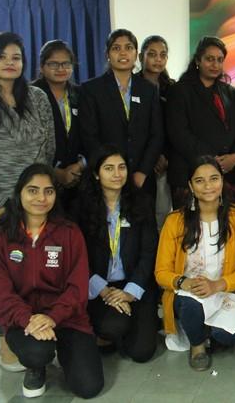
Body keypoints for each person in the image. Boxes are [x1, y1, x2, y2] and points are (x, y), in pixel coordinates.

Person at [0, 164, 103, 398]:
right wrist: (29, 320)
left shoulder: (69, 233)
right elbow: (0, 296)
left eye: (48, 191)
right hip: (24, 322)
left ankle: (64, 353)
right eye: (33, 190)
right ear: (19, 193)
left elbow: (77, 288)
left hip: (67, 318)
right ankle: (36, 366)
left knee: (89, 387)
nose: (41, 198)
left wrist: (52, 317)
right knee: (37, 352)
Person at [0, 31, 55, 371]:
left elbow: (48, 145)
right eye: (2, 56)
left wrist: (39, 192)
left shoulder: (36, 97)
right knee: (5, 275)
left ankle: (39, 329)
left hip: (37, 202)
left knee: (37, 270)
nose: (10, 62)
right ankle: (6, 339)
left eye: (16, 57)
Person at [155, 156, 235, 371]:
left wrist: (217, 285)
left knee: (227, 337)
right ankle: (197, 345)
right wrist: (184, 282)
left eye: (214, 178)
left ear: (222, 181)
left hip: (226, 290)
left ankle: (204, 330)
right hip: (190, 291)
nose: (208, 186)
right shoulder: (175, 221)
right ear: (190, 186)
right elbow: (161, 272)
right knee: (190, 307)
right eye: (199, 181)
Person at [74, 147, 158, 363]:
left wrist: (130, 292)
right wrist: (103, 290)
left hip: (135, 283)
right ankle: (111, 332)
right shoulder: (81, 208)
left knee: (142, 352)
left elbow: (148, 252)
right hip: (99, 286)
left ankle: (127, 325)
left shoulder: (142, 202)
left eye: (122, 167)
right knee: (113, 326)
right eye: (109, 168)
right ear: (96, 173)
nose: (117, 174)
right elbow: (77, 258)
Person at [168, 36, 235, 209]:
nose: (215, 65)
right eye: (209, 59)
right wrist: (212, 159)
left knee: (231, 224)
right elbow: (179, 133)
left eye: (220, 60)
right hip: (191, 174)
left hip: (230, 174)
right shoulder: (180, 91)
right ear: (198, 60)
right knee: (191, 225)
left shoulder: (232, 93)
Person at [79, 28, 163, 195]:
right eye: (116, 48)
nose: (123, 53)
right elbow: (89, 136)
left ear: (136, 54)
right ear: (107, 54)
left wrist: (143, 171)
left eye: (129, 47)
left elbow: (157, 134)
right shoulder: (91, 90)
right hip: (106, 177)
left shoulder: (148, 89)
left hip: (142, 179)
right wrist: (109, 170)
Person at [31, 40, 84, 205]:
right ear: (42, 67)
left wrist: (80, 165)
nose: (61, 69)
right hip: (41, 178)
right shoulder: (30, 95)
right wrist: (54, 172)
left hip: (78, 177)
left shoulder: (81, 93)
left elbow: (90, 132)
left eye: (66, 64)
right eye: (54, 64)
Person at [138, 35, 175, 224]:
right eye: (152, 54)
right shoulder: (133, 86)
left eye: (163, 55)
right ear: (140, 57)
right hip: (141, 159)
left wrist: (164, 156)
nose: (158, 59)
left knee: (163, 213)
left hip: (167, 160)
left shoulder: (173, 88)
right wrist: (152, 156)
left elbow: (175, 127)